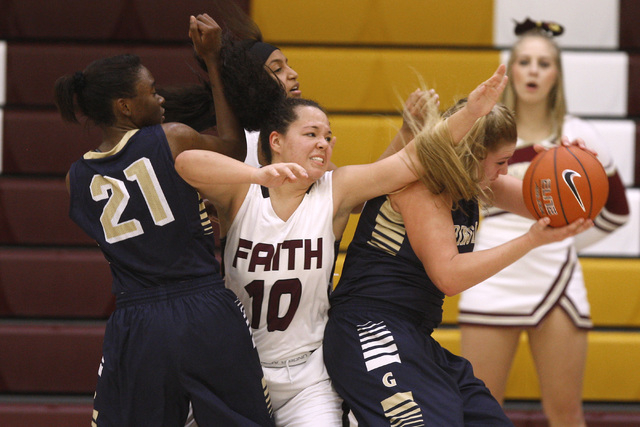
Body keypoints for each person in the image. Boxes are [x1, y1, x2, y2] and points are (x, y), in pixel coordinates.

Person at [174, 47, 510, 424]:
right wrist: (256, 175)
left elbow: (413, 159)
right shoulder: (242, 193)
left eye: (328, 136)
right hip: (241, 364)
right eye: (311, 133)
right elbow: (185, 163)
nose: (323, 142)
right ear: (276, 141)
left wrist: (471, 113)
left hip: (309, 373)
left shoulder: (336, 190)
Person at [54, 14, 274, 426]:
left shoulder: (75, 179)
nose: (161, 99)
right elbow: (230, 146)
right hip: (202, 305)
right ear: (124, 106)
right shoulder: (171, 137)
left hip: (137, 321)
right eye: (151, 91)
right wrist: (211, 62)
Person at [322, 93, 594, 425]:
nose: (505, 170)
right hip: (371, 328)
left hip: (414, 336)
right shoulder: (419, 186)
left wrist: (568, 164)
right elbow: (448, 276)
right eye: (501, 161)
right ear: (472, 155)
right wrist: (529, 241)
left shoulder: (473, 183)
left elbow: (557, 210)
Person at [458, 18, 630, 427]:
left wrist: (565, 239)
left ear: (557, 75)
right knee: (481, 412)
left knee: (567, 412)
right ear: (510, 69)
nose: (533, 71)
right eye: (525, 62)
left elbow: (618, 211)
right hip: (492, 275)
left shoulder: (579, 138)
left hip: (556, 279)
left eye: (544, 63)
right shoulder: (484, 131)